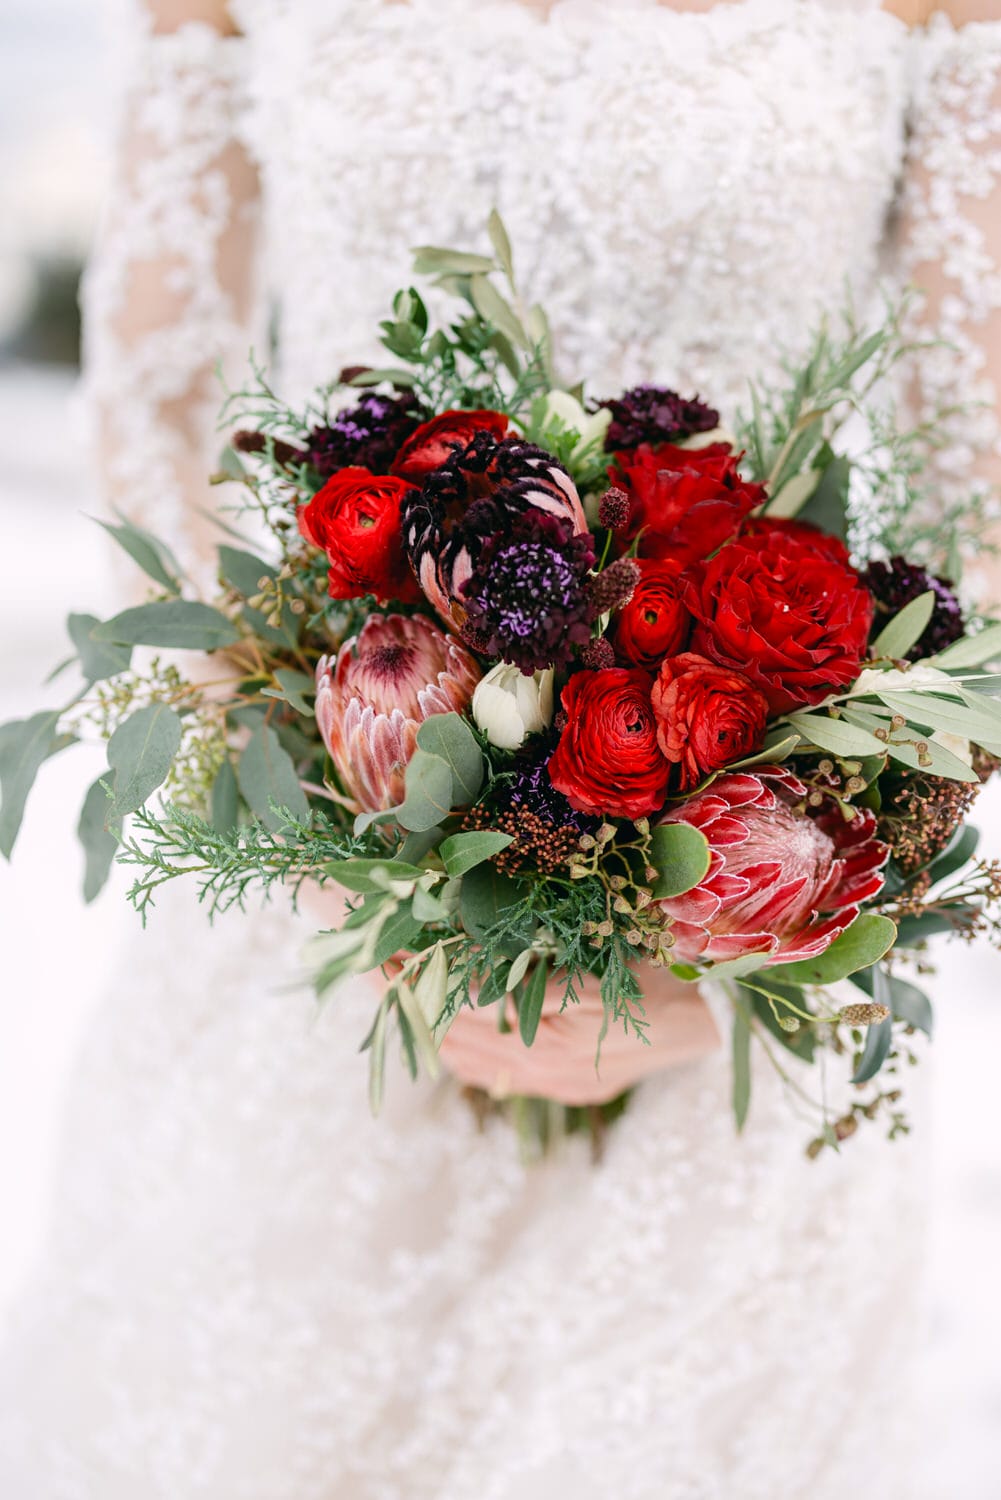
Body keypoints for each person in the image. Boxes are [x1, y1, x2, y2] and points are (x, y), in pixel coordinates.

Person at [0, 2, 998, 1495]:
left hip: (730, 939)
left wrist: (744, 915)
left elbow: (967, 466)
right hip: (311, 910)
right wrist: (325, 832)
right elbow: (162, 402)